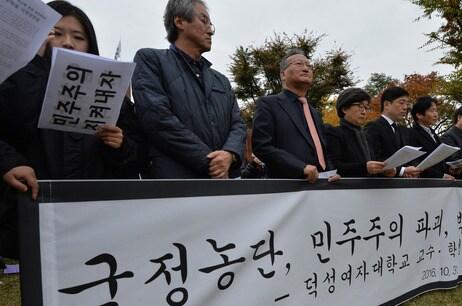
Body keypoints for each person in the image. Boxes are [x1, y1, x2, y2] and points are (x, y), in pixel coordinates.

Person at [0, 0, 141, 259]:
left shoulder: (113, 93)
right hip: (33, 211)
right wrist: (9, 163)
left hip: (95, 216)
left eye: (78, 37)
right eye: (56, 33)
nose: (67, 43)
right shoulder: (15, 78)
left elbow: (137, 158)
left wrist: (120, 146)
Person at [132, 0, 245, 179]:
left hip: (226, 183)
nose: (210, 30)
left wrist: (230, 154)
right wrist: (210, 162)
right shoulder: (150, 60)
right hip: (175, 185)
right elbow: (157, 118)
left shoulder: (221, 80)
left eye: (211, 24)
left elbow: (238, 125)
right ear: (180, 22)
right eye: (204, 20)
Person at [252, 49, 338, 183]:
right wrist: (300, 168)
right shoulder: (268, 104)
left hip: (321, 188)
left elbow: (323, 150)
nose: (306, 69)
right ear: (283, 74)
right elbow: (262, 146)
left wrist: (331, 172)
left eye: (309, 66)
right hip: (286, 189)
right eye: (299, 64)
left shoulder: (314, 113)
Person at [325, 88, 396, 177]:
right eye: (360, 106)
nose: (364, 112)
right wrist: (364, 168)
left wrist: (383, 171)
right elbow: (333, 167)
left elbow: (372, 165)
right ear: (345, 109)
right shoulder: (333, 133)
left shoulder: (367, 136)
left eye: (366, 108)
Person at [364, 87, 420, 178]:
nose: (405, 107)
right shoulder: (373, 127)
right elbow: (374, 157)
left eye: (407, 103)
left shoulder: (402, 130)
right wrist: (402, 170)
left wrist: (412, 168)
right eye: (401, 103)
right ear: (386, 104)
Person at [406, 96, 454, 179]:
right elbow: (416, 163)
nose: (436, 114)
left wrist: (451, 168)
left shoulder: (433, 134)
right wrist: (441, 176)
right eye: (432, 111)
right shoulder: (411, 134)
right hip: (425, 183)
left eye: (436, 110)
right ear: (419, 115)